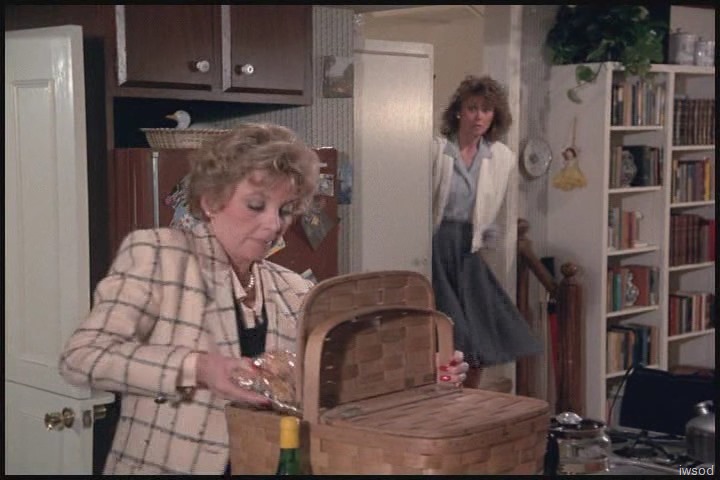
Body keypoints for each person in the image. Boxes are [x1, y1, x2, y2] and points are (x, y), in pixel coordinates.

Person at [59, 122, 468, 475]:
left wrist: (417, 377)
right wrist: (198, 368)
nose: (274, 224)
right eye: (255, 205)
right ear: (211, 201)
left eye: (286, 210)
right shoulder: (159, 254)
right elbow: (82, 358)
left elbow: (328, 387)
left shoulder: (295, 290)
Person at [432, 75, 542, 388]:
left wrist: (490, 238)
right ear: (459, 111)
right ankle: (448, 392)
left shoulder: (501, 157)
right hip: (437, 244)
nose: (478, 116)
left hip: (468, 247)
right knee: (453, 329)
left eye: (486, 109)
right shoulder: (437, 150)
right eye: (472, 108)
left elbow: (497, 210)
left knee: (480, 330)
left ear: (495, 115)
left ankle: (470, 396)